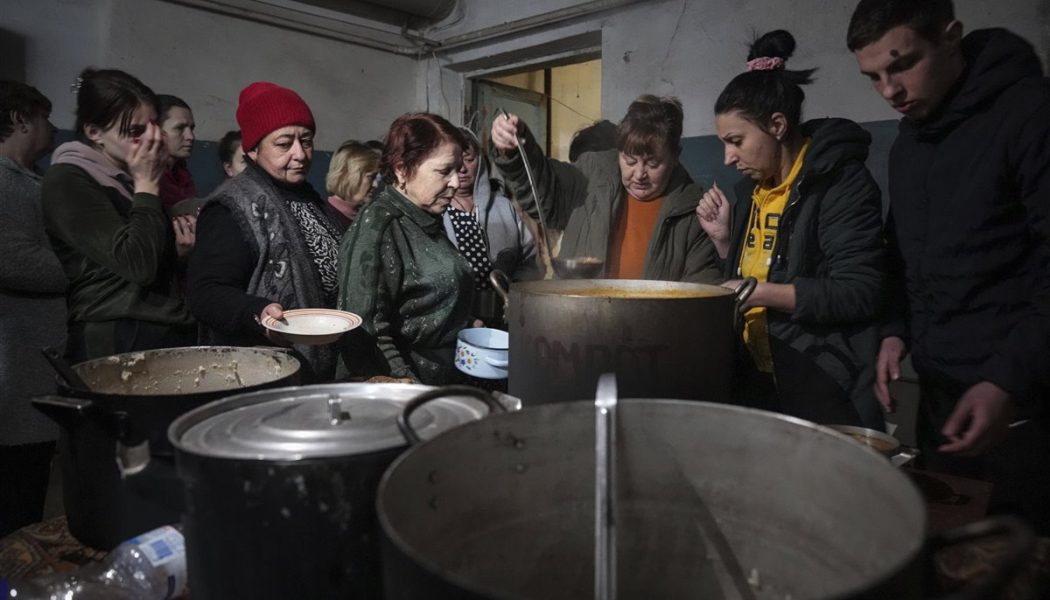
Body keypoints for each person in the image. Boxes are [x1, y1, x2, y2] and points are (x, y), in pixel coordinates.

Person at [848, 0, 1050, 533]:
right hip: (942, 398)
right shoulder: (910, 141)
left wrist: (1007, 378)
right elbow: (904, 252)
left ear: (951, 37)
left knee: (1015, 561)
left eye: (902, 65)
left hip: (1025, 401)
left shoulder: (1029, 115)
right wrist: (895, 332)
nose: (889, 91)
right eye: (873, 77)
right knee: (947, 555)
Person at [696, 30, 886, 429]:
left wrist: (755, 292)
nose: (728, 158)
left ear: (777, 125)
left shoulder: (839, 183)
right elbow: (769, 266)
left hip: (824, 382)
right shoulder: (753, 192)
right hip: (763, 376)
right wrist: (726, 242)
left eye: (735, 141)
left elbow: (860, 290)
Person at [188, 82, 342, 382]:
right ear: (253, 149)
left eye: (307, 141)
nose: (300, 154)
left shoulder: (309, 197)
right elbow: (204, 292)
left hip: (321, 368)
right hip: (264, 370)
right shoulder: (232, 208)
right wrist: (257, 313)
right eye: (284, 144)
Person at [42, 68, 195, 362]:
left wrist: (176, 253)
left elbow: (143, 256)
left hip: (162, 325)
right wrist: (148, 184)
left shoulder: (128, 179)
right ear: (94, 132)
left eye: (152, 127)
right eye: (135, 131)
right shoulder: (68, 179)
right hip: (117, 333)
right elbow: (137, 264)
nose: (150, 140)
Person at [491, 95, 719, 282]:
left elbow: (699, 291)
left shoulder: (693, 210)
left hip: (651, 331)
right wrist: (514, 150)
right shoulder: (590, 175)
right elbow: (542, 188)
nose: (639, 174)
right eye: (630, 161)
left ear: (675, 156)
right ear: (618, 151)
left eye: (653, 164)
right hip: (575, 324)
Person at [337, 113, 472, 384]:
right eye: (445, 170)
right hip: (405, 393)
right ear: (401, 169)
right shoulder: (380, 227)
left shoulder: (424, 218)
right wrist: (412, 392)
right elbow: (367, 333)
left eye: (458, 169)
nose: (456, 182)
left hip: (441, 381)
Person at [0, 81, 64, 536]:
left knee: (30, 485)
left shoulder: (32, 181)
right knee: (14, 497)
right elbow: (14, 260)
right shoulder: (2, 182)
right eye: (44, 117)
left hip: (33, 364)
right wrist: (87, 262)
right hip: (12, 363)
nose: (53, 127)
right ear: (21, 120)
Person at [444, 127, 539, 300]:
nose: (462, 169)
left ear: (480, 162)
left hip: (505, 307)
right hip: (454, 314)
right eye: (455, 161)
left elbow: (531, 260)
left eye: (469, 159)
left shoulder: (503, 206)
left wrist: (514, 287)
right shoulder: (437, 210)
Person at [323, 140, 380, 234]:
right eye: (370, 177)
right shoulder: (322, 216)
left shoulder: (368, 217)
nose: (375, 185)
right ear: (349, 175)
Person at [156, 94, 197, 210]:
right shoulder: (147, 178)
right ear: (155, 130)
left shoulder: (183, 175)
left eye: (191, 128)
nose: (191, 136)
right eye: (180, 128)